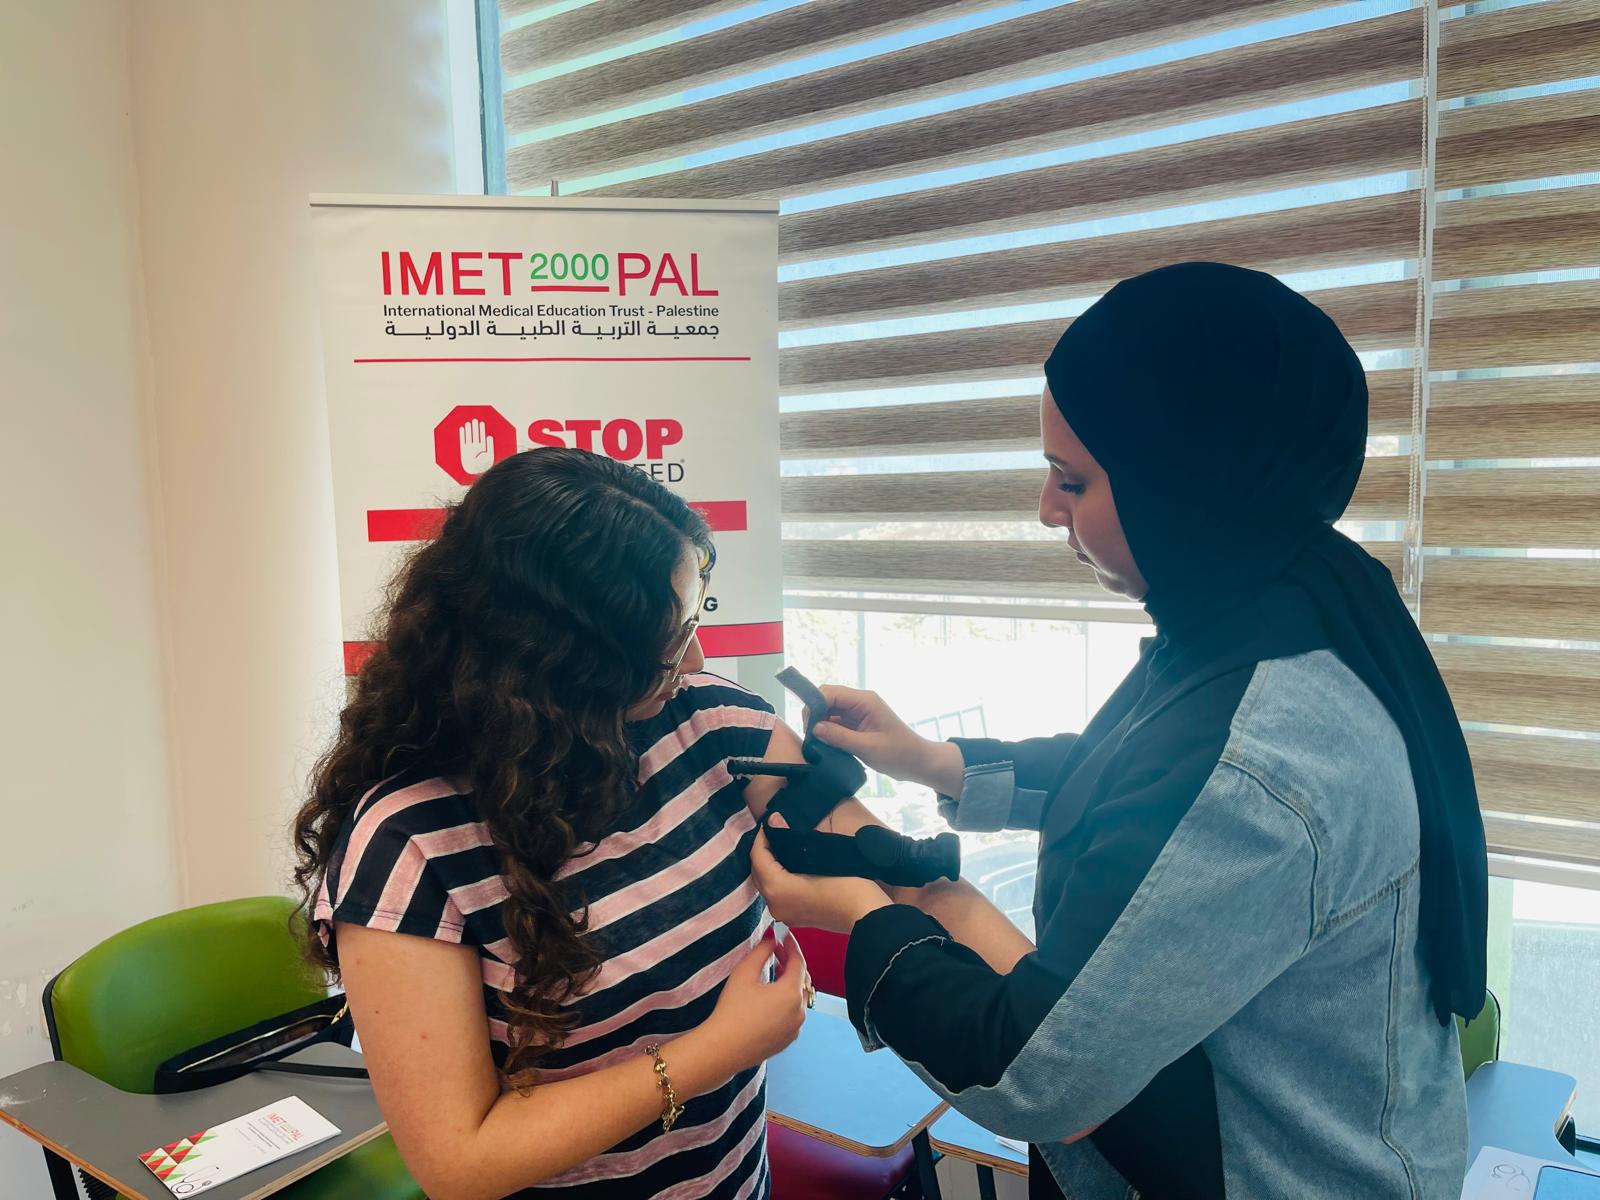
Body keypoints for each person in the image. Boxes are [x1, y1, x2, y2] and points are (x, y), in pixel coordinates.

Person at [751, 262, 1489, 1199]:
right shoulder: (1266, 604)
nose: (1045, 509)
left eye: (1072, 480)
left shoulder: (1268, 752)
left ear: (1186, 486)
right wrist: (932, 762)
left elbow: (1034, 1079)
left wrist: (860, 917)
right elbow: (1141, 774)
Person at [290, 448, 989, 1199]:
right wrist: (716, 1051)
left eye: (691, 620)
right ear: (560, 662)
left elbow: (893, 870)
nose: (694, 659)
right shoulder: (408, 848)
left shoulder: (716, 726)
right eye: (666, 642)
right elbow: (459, 1163)